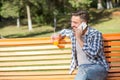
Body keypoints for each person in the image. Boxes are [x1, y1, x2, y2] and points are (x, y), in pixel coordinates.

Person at [51, 10, 109, 80]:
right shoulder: (73, 32)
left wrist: (79, 38)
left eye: (75, 22)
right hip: (82, 69)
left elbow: (93, 53)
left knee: (83, 72)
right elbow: (65, 31)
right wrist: (58, 35)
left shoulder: (95, 34)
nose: (72, 25)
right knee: (83, 71)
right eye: (71, 22)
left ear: (84, 24)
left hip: (98, 68)